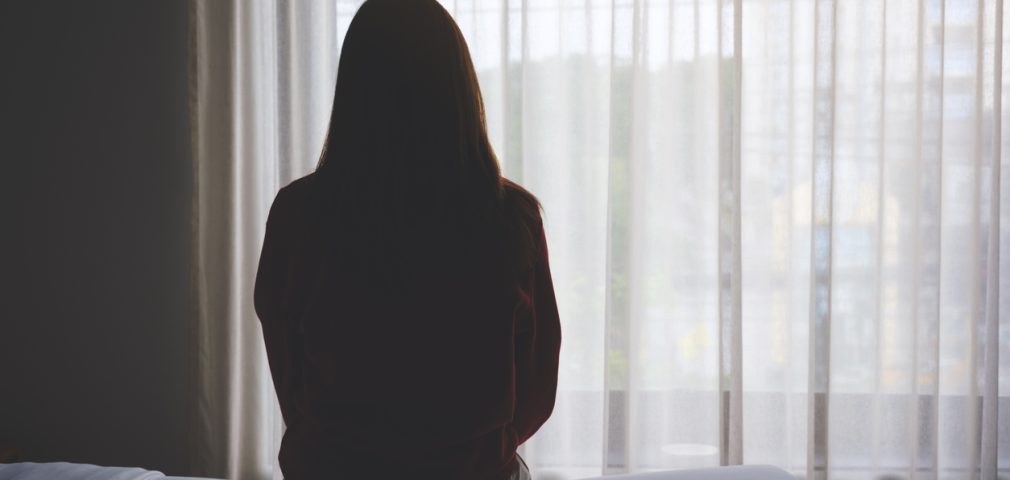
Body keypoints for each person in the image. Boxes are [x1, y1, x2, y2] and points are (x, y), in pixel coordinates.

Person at [253, 0, 561, 478]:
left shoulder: (297, 216)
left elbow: (288, 370)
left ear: (354, 91)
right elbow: (538, 387)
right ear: (459, 89)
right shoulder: (511, 218)